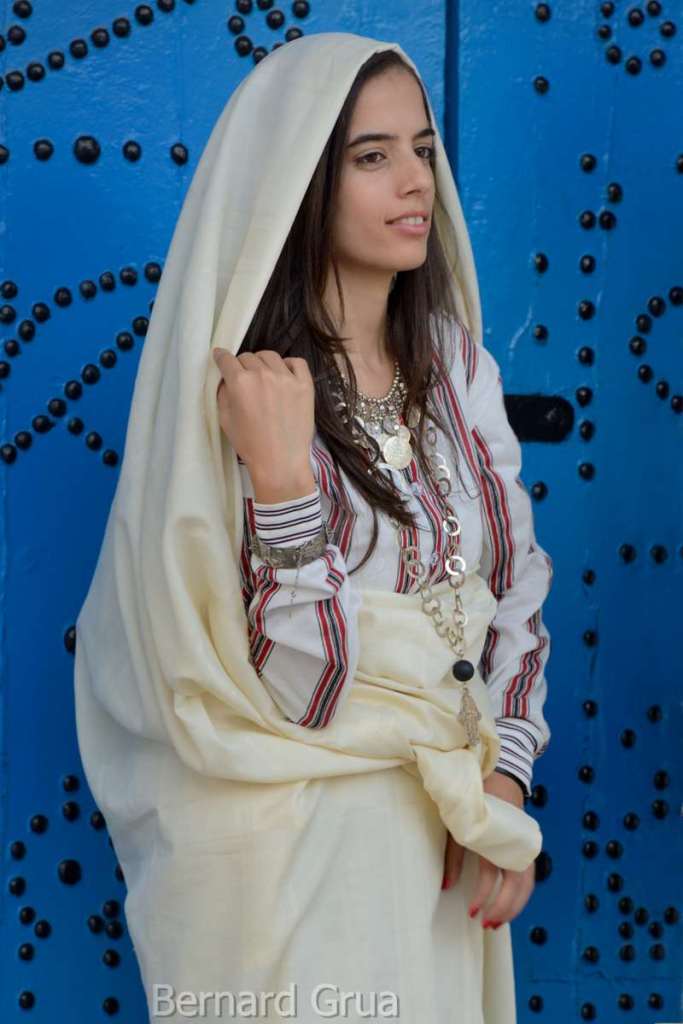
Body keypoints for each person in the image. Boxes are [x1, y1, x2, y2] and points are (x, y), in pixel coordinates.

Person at [73, 32, 553, 1024]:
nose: (414, 181)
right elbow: (300, 694)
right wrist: (285, 478)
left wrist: (500, 786)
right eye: (370, 156)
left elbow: (512, 593)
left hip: (446, 839)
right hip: (299, 854)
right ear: (297, 181)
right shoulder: (243, 393)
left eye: (422, 149)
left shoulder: (455, 368)